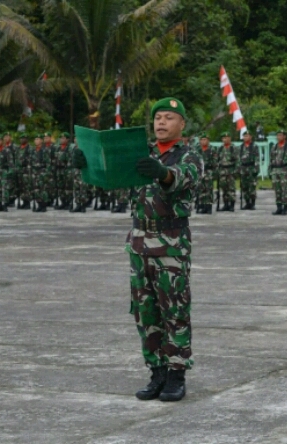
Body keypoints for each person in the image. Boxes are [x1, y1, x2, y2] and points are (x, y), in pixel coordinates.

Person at [74, 97, 203, 402]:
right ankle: (156, 372)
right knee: (145, 313)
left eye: (169, 117)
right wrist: (86, 166)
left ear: (181, 125)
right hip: (139, 244)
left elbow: (184, 180)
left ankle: (176, 374)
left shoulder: (189, 156)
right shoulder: (138, 153)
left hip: (170, 246)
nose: (161, 122)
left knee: (174, 311)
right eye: (158, 117)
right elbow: (109, 179)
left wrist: (162, 173)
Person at [269, 129, 287, 215]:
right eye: (278, 135)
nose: (279, 137)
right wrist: (269, 171)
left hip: (285, 170)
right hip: (275, 170)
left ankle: (285, 208)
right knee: (277, 189)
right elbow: (271, 160)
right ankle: (279, 207)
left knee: (285, 190)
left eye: (281, 135)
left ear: (284, 136)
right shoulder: (274, 147)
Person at [0, 134, 15, 212]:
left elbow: (11, 162)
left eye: (0, 140)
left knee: (4, 189)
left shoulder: (7, 151)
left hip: (4, 171)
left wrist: (11, 171)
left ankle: (5, 204)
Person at [216, 132, 239, 212]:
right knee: (224, 189)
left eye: (227, 137)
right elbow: (217, 160)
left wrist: (236, 171)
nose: (225, 139)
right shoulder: (220, 148)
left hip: (231, 171)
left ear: (230, 138)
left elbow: (237, 161)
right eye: (224, 138)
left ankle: (232, 205)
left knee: (231, 188)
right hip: (222, 171)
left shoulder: (233, 148)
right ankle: (226, 204)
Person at [195, 133, 217, 214]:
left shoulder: (212, 149)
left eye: (205, 139)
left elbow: (215, 162)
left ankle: (209, 207)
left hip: (208, 171)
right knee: (201, 189)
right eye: (202, 139)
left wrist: (214, 173)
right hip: (200, 171)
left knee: (208, 189)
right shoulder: (197, 149)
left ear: (208, 140)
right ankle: (202, 206)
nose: (203, 141)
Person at [239, 130, 260, 210]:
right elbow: (239, 159)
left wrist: (256, 169)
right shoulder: (241, 147)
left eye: (247, 136)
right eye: (244, 136)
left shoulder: (254, 146)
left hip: (251, 168)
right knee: (244, 186)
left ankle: (253, 203)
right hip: (243, 168)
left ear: (250, 137)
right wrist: (239, 169)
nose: (246, 137)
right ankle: (247, 202)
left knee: (252, 186)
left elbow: (257, 159)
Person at [32, 134, 52, 212]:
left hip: (42, 172)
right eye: (35, 139)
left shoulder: (45, 150)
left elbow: (48, 163)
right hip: (35, 172)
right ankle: (39, 204)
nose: (36, 141)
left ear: (41, 141)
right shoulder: (33, 150)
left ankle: (44, 205)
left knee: (43, 189)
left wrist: (47, 173)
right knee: (36, 189)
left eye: (38, 139)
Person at [54, 132, 74, 210]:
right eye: (60, 138)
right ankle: (63, 202)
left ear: (67, 139)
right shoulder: (58, 148)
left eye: (63, 138)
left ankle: (68, 202)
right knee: (60, 187)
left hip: (67, 170)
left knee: (68, 187)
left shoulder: (70, 148)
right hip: (59, 170)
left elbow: (70, 160)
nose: (61, 140)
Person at [15, 134, 33, 209]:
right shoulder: (18, 148)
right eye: (21, 138)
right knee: (21, 186)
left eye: (23, 138)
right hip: (19, 170)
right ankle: (23, 201)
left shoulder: (30, 148)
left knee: (27, 186)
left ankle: (28, 202)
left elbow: (31, 159)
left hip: (26, 170)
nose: (22, 140)